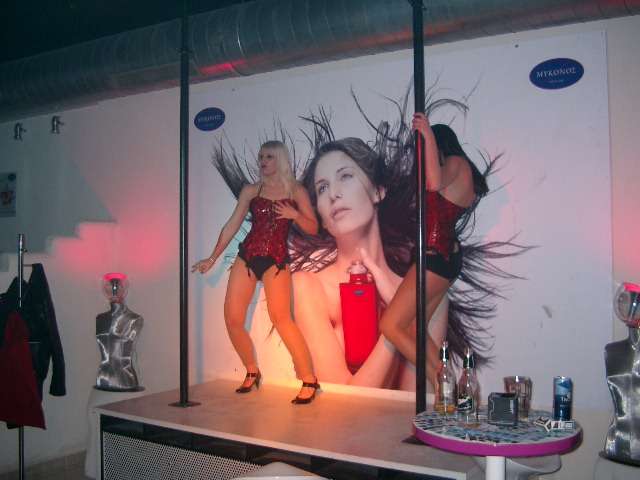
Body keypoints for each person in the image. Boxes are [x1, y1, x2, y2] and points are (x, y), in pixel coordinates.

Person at [192, 140, 320, 404]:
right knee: (232, 318)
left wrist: (294, 215)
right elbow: (232, 224)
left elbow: (313, 228)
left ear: (280, 159)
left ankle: (309, 379)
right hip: (248, 256)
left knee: (281, 319)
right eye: (261, 156)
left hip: (276, 259)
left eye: (269, 156)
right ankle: (252, 370)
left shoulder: (295, 190)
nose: (262, 161)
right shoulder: (251, 190)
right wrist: (212, 258)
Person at [379, 113, 489, 386]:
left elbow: (434, 183)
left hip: (436, 257)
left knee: (390, 325)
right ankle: (445, 385)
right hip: (444, 257)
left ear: (438, 144)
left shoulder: (455, 163)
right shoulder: (460, 169)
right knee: (415, 328)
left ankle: (443, 387)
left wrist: (426, 133)